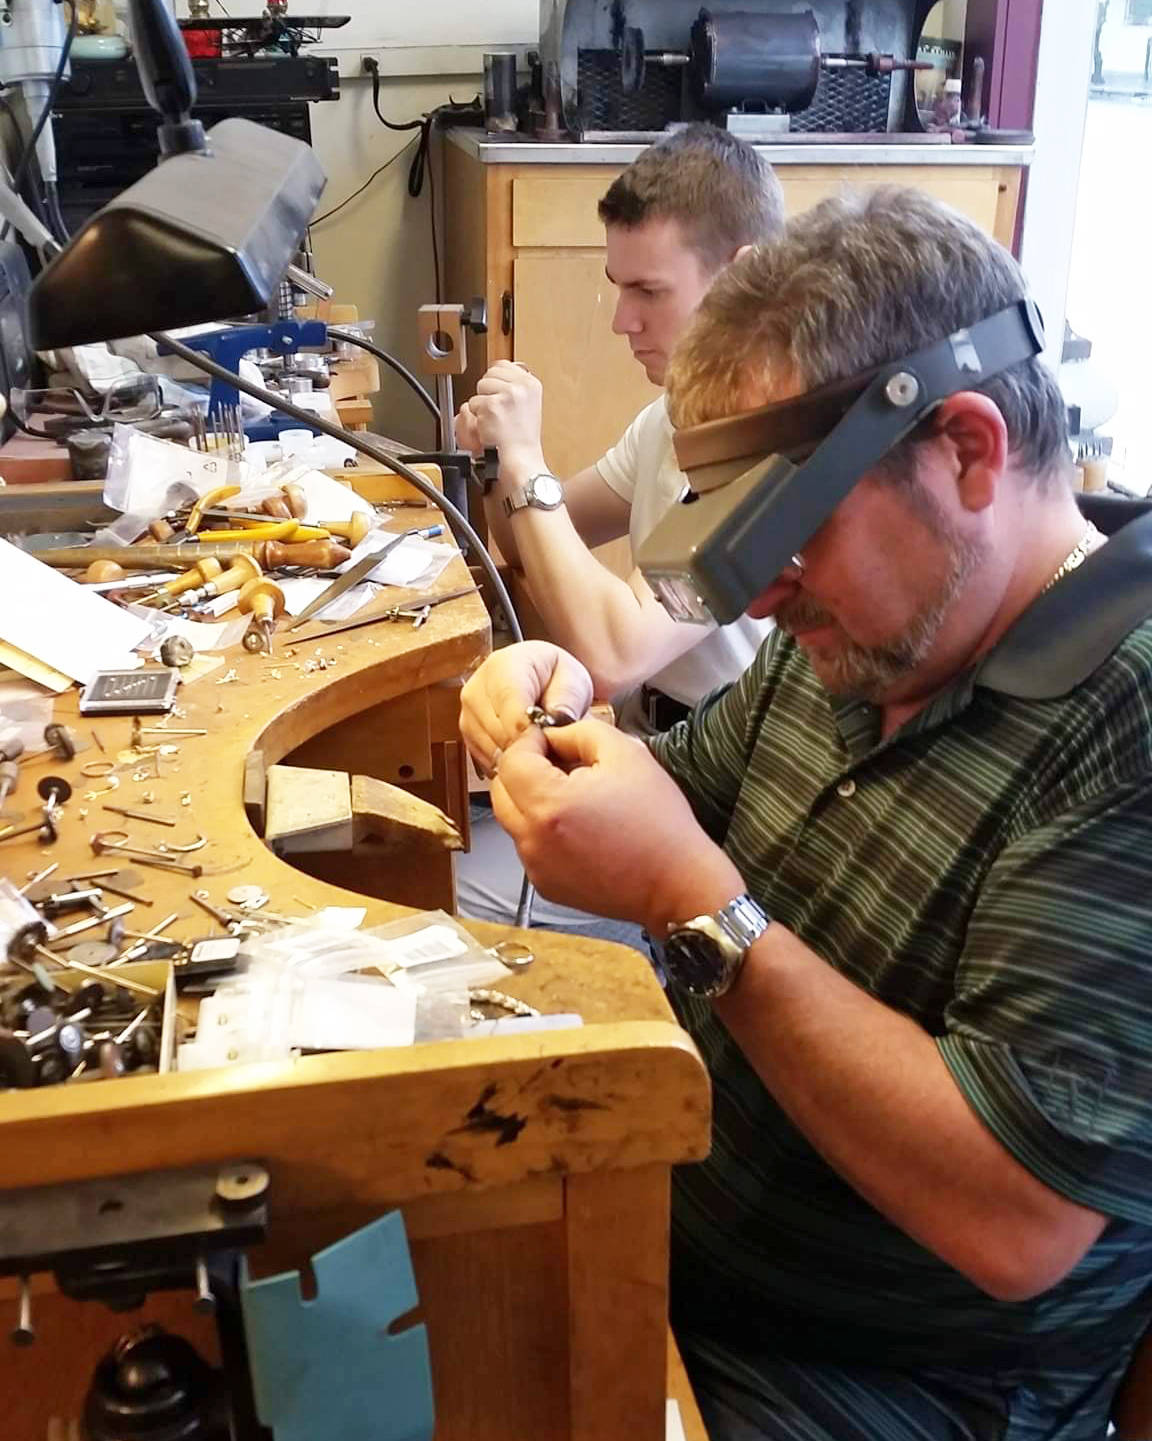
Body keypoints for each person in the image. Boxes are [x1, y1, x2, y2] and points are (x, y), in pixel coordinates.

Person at [458, 187, 1152, 1440]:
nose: (766, 601)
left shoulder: (1125, 722)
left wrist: (699, 910)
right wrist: (564, 720)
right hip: (672, 1242)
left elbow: (1018, 1222)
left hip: (887, 1388)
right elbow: (685, 797)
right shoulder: (869, 632)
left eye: (796, 536)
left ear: (970, 451)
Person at [454, 123, 784, 933]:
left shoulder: (776, 452)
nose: (621, 321)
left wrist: (526, 459)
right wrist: (499, 463)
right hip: (649, 760)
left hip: (721, 824)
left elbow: (616, 653)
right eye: (618, 288)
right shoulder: (667, 421)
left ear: (742, 280)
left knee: (440, 894)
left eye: (649, 291)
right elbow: (536, 538)